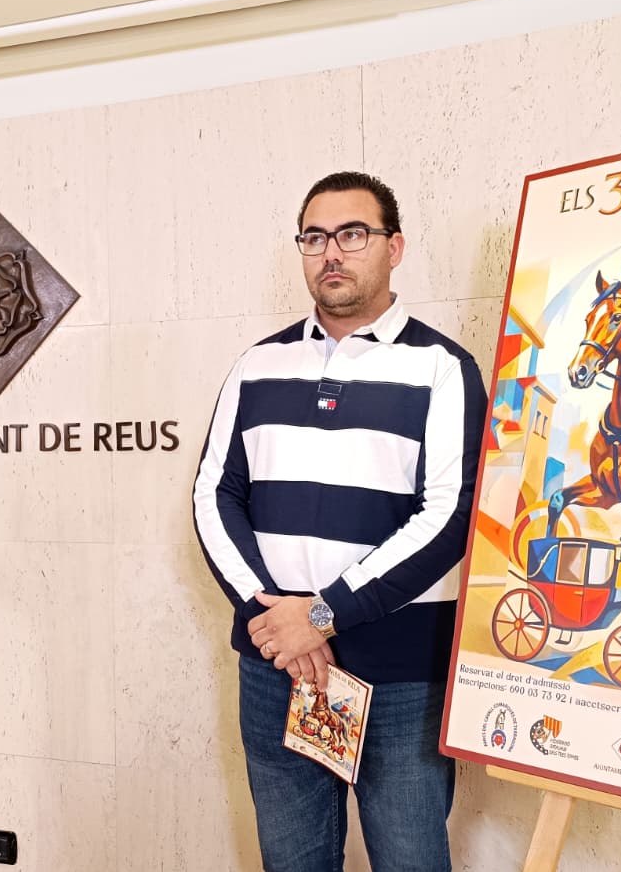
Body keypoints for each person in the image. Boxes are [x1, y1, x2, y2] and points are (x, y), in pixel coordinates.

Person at [193, 172, 486, 871]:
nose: (332, 252)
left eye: (353, 234)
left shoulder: (444, 368)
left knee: (411, 860)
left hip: (399, 675)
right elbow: (214, 495)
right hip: (277, 667)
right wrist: (277, 621)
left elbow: (449, 516)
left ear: (394, 247)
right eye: (315, 237)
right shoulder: (257, 364)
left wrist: (321, 616)